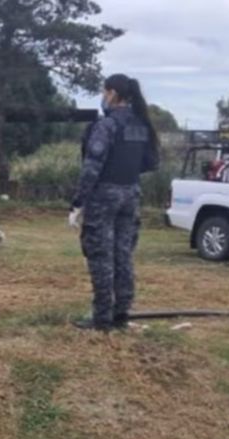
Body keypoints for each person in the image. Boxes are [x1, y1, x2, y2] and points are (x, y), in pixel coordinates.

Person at [69, 73, 160, 331]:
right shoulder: (141, 125)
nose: (102, 97)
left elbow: (91, 167)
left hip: (104, 196)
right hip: (130, 194)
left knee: (101, 255)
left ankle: (101, 317)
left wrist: (78, 202)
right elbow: (152, 162)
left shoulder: (106, 126)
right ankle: (121, 312)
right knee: (123, 255)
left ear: (111, 93)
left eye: (103, 92)